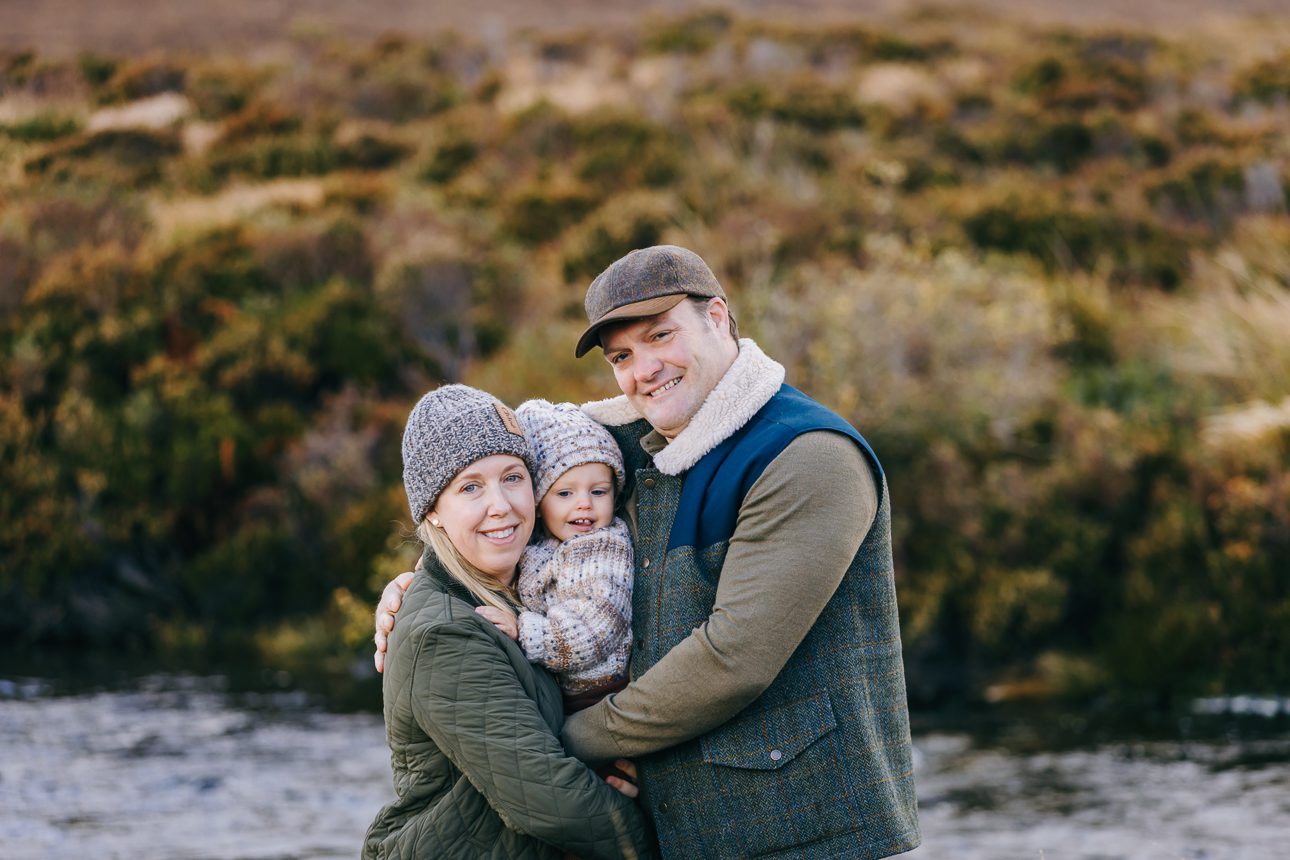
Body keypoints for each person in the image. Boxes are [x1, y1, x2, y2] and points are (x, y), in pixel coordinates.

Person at [375, 247, 921, 859]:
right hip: (690, 828)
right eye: (623, 357)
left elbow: (733, 660)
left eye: (662, 335)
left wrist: (565, 741)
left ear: (717, 318)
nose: (646, 369)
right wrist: (425, 586)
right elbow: (491, 491)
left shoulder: (808, 456)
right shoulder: (620, 449)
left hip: (801, 830)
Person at [363, 384, 653, 860]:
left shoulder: (534, 584)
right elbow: (549, 800)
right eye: (470, 487)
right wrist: (654, 839)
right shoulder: (444, 632)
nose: (501, 504)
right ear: (433, 511)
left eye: (513, 478)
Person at [500, 398, 634, 715]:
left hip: (600, 695)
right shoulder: (541, 544)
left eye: (598, 491)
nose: (584, 504)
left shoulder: (603, 547)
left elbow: (598, 628)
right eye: (565, 493)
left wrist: (524, 631)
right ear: (538, 501)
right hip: (561, 692)